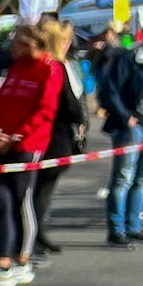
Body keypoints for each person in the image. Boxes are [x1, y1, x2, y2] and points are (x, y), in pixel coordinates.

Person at [0, 24, 62, 286]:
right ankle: (3, 261)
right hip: (2, 145)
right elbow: (3, 103)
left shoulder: (49, 69)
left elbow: (45, 111)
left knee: (21, 202)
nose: (13, 48)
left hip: (27, 145)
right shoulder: (16, 68)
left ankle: (21, 259)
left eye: (18, 43)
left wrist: (16, 137)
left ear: (32, 44)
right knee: (2, 203)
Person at [29, 20, 87, 259]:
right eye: (64, 39)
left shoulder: (64, 64)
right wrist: (78, 116)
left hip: (62, 135)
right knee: (42, 189)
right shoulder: (54, 67)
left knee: (45, 189)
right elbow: (67, 103)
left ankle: (39, 232)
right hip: (54, 135)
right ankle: (35, 235)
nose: (68, 43)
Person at [96, 12, 143, 248]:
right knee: (123, 177)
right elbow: (109, 91)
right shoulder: (129, 58)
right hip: (133, 125)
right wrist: (126, 117)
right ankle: (116, 229)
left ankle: (134, 226)